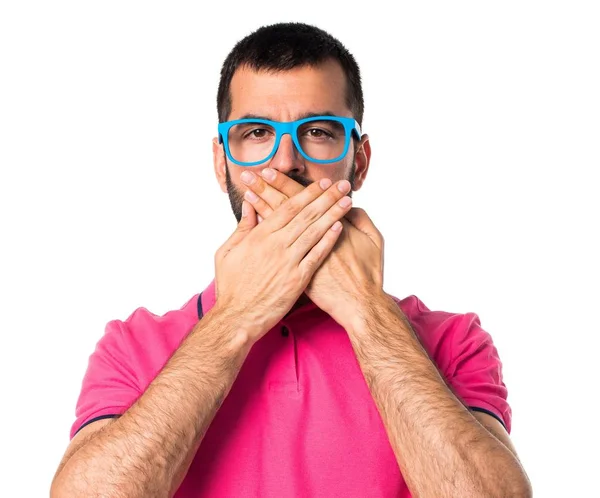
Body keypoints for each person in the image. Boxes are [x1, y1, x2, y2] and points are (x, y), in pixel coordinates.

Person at [51, 22, 532, 498]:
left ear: (358, 161)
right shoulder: (132, 346)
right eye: (257, 132)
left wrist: (367, 312)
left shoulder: (453, 342)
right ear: (223, 164)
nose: (285, 162)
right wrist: (236, 317)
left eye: (318, 131)